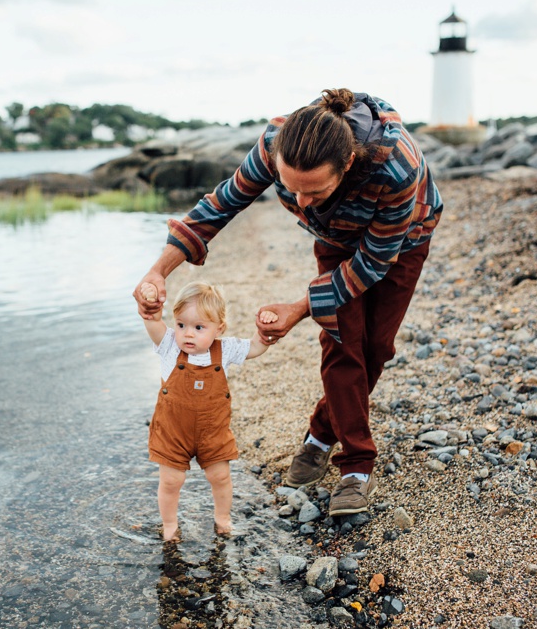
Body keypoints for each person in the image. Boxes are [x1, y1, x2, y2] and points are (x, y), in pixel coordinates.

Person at [134, 88, 442, 516]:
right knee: (341, 338)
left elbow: (371, 264)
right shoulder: (273, 144)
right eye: (292, 190)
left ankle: (320, 432)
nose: (301, 203)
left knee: (376, 349)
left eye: (314, 192)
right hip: (334, 235)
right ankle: (355, 466)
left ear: (347, 164)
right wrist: (157, 271)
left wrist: (298, 309)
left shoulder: (396, 169)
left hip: (403, 240)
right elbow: (219, 206)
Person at [139, 280, 276, 541]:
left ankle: (222, 518)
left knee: (220, 477)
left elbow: (257, 347)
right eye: (181, 325)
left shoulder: (224, 349)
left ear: (218, 328)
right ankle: (169, 525)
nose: (188, 334)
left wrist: (265, 330)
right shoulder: (169, 345)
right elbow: (153, 322)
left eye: (199, 327)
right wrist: (151, 304)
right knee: (171, 482)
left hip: (212, 433)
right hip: (172, 433)